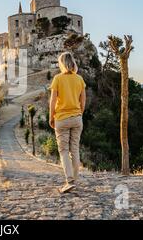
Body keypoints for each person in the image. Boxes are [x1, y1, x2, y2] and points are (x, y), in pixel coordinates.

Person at [49, 52, 86, 193]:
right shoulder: (79, 79)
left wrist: (51, 116)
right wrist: (79, 113)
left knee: (64, 150)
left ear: (62, 63)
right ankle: (74, 181)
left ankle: (69, 181)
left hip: (61, 119)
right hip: (77, 118)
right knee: (75, 149)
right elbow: (83, 100)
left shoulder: (57, 79)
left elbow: (52, 101)